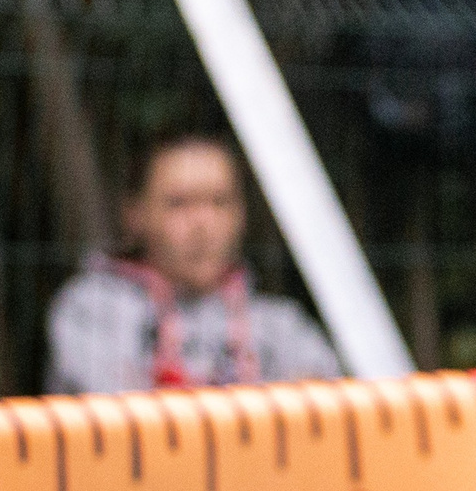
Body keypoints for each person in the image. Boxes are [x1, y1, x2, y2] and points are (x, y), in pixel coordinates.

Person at [45, 133, 343, 394]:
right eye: (179, 203)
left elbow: (322, 408)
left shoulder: (282, 325)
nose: (203, 223)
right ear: (135, 214)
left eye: (219, 201)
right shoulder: (92, 311)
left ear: (241, 214)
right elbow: (120, 423)